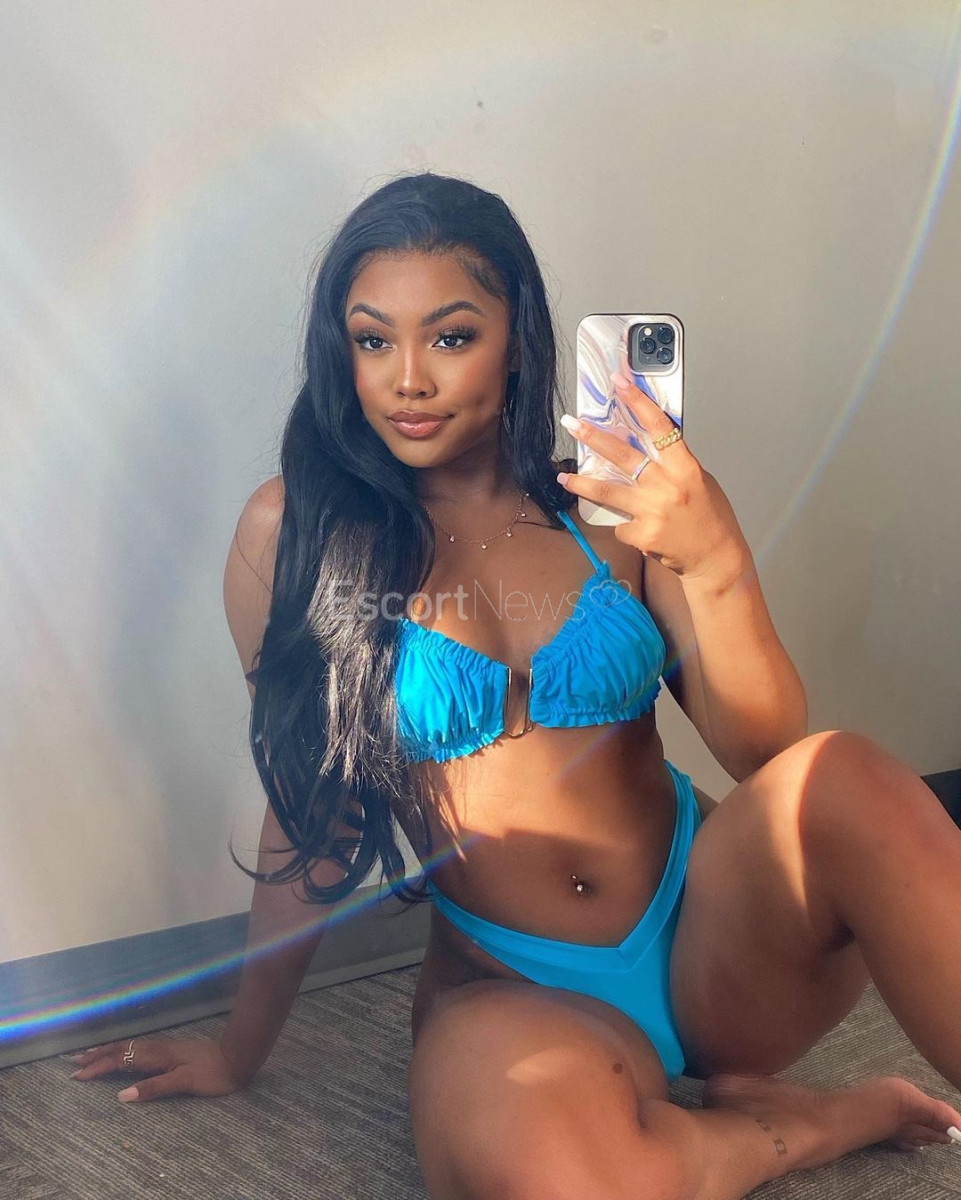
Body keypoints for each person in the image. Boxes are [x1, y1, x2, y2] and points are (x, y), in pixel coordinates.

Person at [69, 172, 961, 1198]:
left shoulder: (618, 503)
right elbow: (309, 812)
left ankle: (737, 1094)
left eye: (450, 337)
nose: (408, 378)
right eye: (372, 340)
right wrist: (240, 1047)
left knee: (842, 774)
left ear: (517, 341)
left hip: (718, 942)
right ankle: (804, 1124)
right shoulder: (300, 536)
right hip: (510, 987)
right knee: (569, 1182)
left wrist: (715, 562)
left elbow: (764, 756)